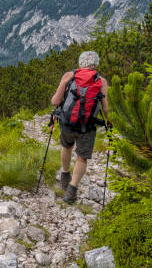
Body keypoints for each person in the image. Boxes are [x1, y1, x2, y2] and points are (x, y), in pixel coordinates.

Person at [50, 51, 109, 204]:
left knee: (66, 146)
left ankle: (64, 174)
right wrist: (109, 121)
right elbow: (105, 109)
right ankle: (72, 190)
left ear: (80, 63)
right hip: (87, 126)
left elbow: (55, 101)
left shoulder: (69, 75)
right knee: (82, 157)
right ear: (96, 65)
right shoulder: (101, 81)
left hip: (68, 123)